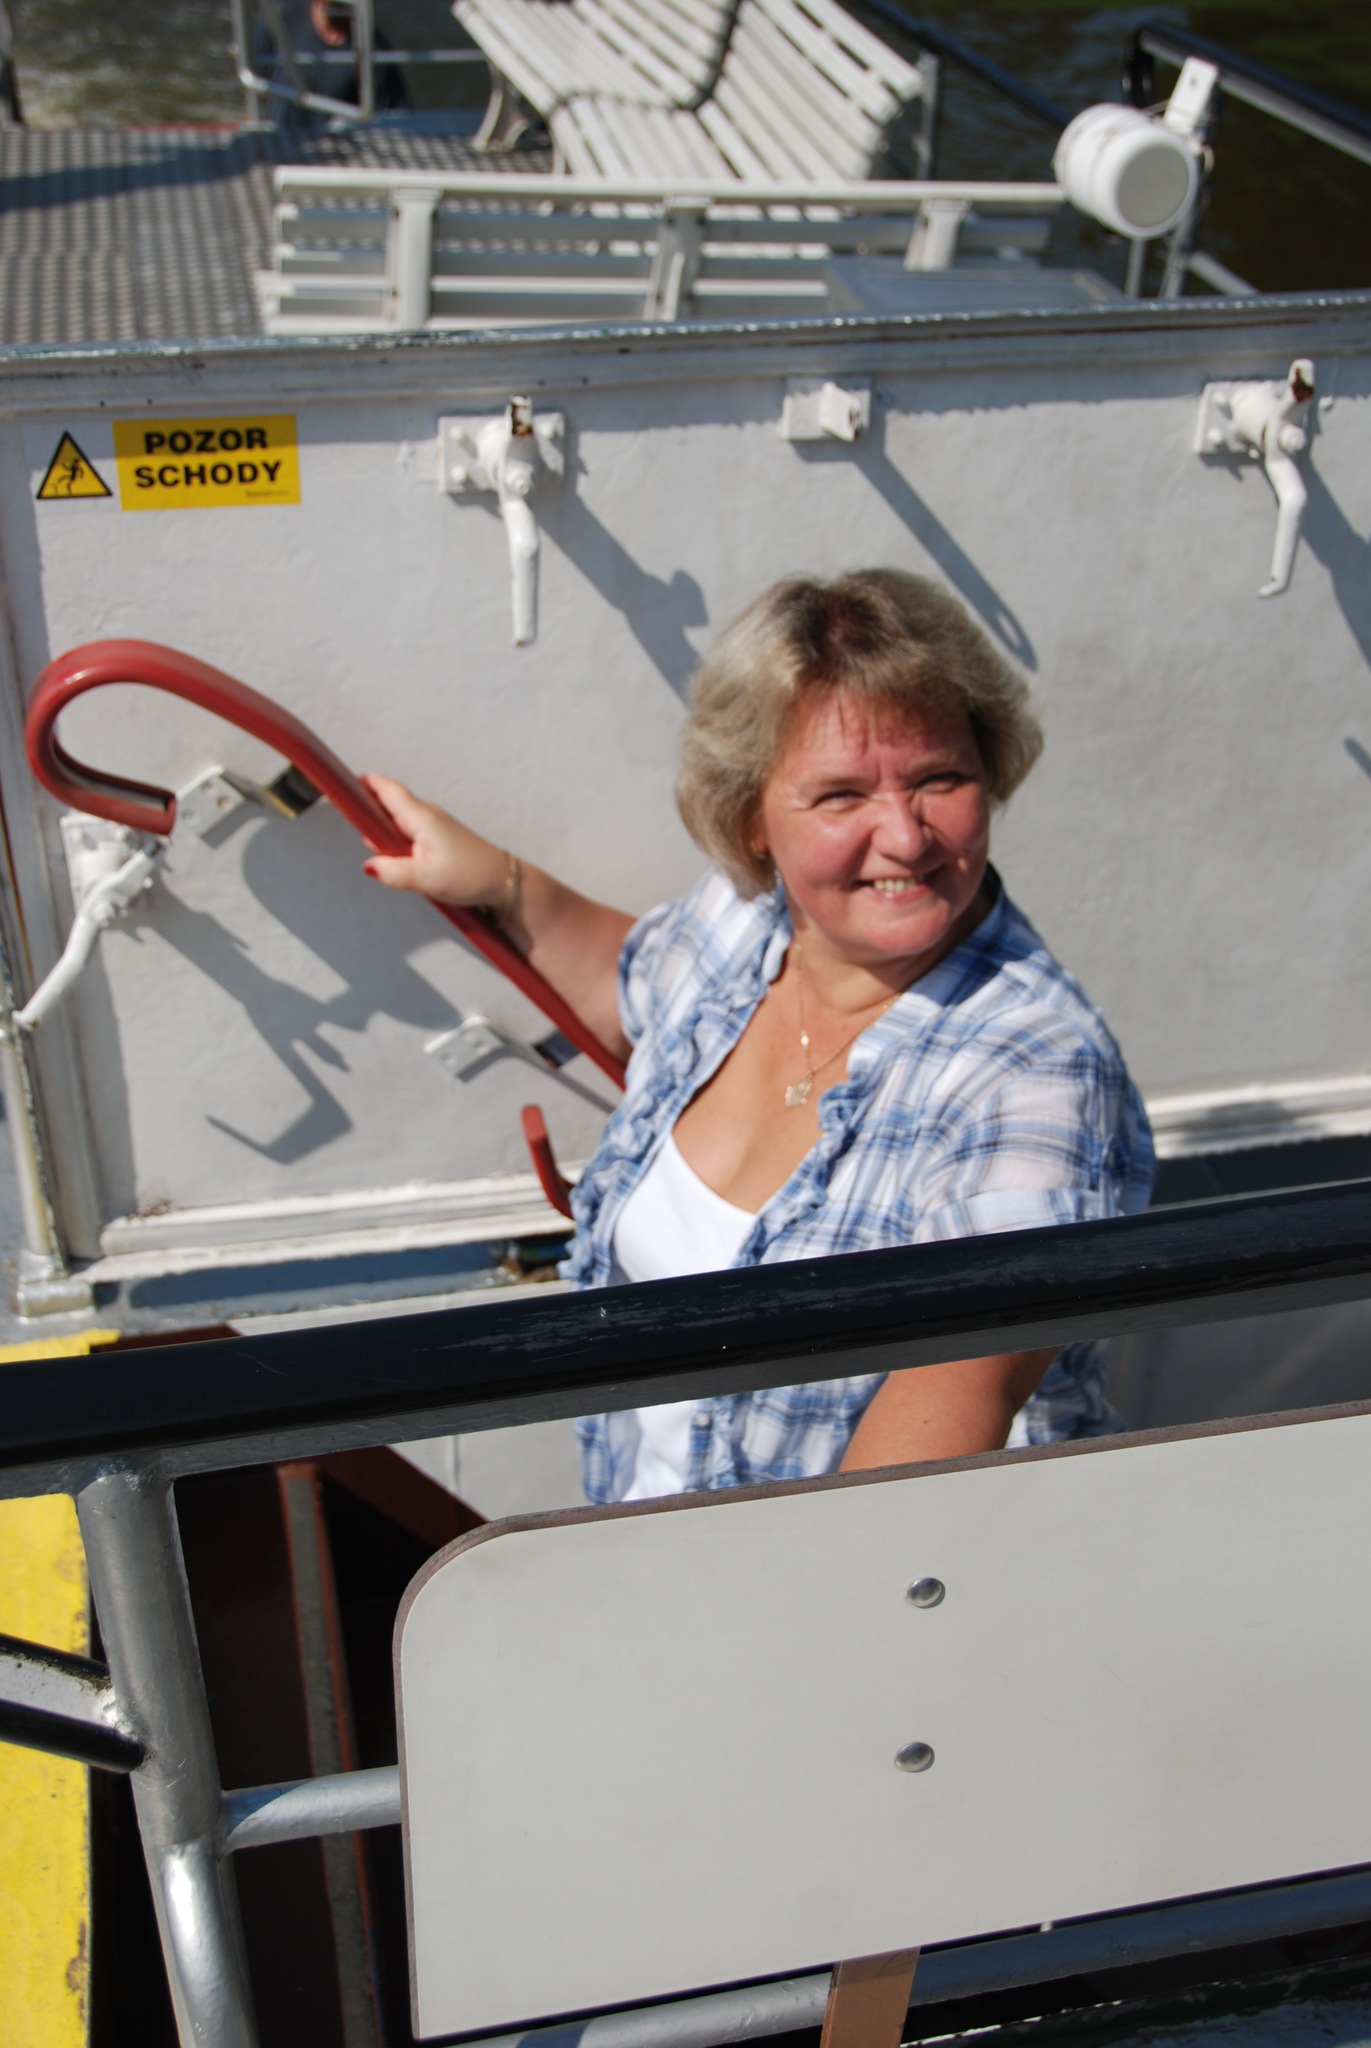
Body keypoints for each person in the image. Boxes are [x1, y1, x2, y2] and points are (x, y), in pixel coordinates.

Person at [364, 570, 1154, 1503]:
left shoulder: (1035, 1071)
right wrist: (499, 881)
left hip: (844, 1575)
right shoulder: (751, 924)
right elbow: (641, 980)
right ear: (751, 821)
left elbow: (956, 1392)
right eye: (840, 796)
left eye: (939, 779)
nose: (905, 837)